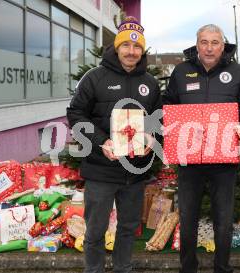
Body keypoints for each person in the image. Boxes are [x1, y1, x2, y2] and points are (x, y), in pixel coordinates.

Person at [67, 16, 161, 273]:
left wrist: (153, 138)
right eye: (126, 46)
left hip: (136, 172)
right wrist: (101, 143)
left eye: (137, 47)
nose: (131, 52)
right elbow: (75, 115)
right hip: (101, 170)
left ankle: (123, 268)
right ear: (117, 47)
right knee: (95, 230)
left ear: (142, 50)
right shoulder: (94, 78)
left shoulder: (150, 84)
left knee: (128, 227)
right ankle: (94, 270)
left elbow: (158, 120)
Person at [163, 24, 240, 273]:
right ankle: (188, 268)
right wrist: (170, 131)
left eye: (214, 42)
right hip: (189, 162)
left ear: (222, 45)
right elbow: (167, 108)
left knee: (224, 221)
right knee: (187, 219)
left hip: (223, 163)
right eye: (204, 42)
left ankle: (222, 268)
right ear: (197, 45)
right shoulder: (181, 72)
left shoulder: (237, 73)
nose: (209, 47)